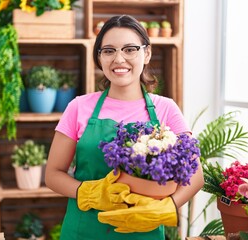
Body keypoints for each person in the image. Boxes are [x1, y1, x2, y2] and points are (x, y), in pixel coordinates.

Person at [45, 14, 204, 240]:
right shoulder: (79, 107)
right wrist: (89, 193)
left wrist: (168, 206)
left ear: (146, 53)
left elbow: (196, 177)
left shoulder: (166, 109)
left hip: (143, 233)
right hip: (84, 230)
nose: (119, 59)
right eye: (108, 51)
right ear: (99, 57)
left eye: (130, 49)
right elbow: (53, 174)